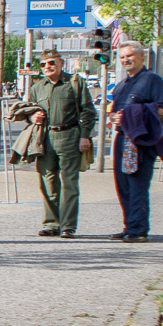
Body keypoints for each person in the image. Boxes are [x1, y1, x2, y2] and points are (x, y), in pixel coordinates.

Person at [107, 41, 163, 243]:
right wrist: (114, 118)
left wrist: (133, 114)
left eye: (130, 56)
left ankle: (139, 230)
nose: (126, 60)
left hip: (140, 141)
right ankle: (129, 225)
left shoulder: (152, 80)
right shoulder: (121, 85)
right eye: (122, 57)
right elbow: (113, 113)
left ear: (141, 57)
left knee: (137, 186)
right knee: (123, 186)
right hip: (122, 139)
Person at [25, 48, 95, 239]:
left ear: (61, 64)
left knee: (69, 183)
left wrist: (85, 136)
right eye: (43, 64)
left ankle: (68, 226)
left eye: (51, 63)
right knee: (47, 181)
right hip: (45, 137)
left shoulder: (74, 82)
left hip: (69, 136)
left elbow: (88, 112)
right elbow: (28, 111)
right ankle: (51, 223)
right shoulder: (37, 87)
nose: (47, 67)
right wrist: (33, 117)